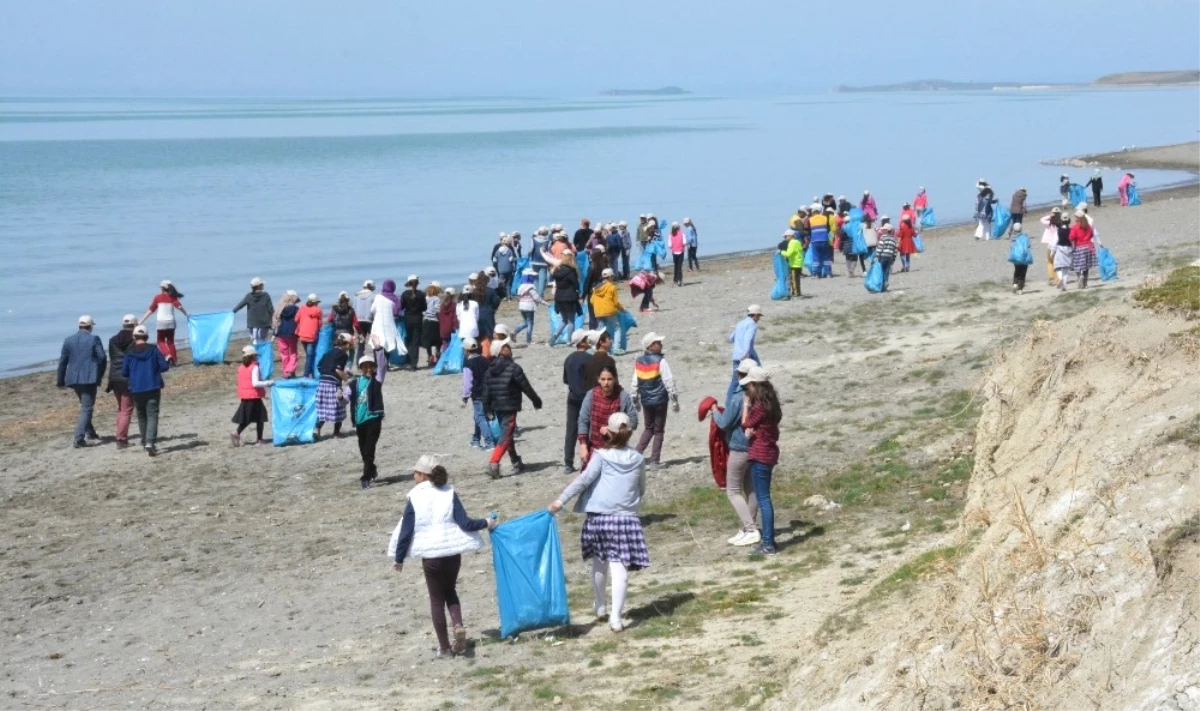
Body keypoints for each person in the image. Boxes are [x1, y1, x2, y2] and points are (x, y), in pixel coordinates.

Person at [390, 455, 498, 658]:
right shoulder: (449, 492)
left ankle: (446, 649)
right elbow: (465, 523)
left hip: (431, 556)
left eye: (415, 472)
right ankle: (458, 625)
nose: (414, 476)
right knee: (450, 591)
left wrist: (399, 558)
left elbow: (406, 530)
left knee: (436, 600)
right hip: (452, 553)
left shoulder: (415, 496)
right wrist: (486, 522)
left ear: (422, 475)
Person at [549, 411, 647, 633]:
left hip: (600, 517)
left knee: (600, 562)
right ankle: (616, 618)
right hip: (626, 519)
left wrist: (560, 500)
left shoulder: (601, 456)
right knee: (619, 566)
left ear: (609, 432)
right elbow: (641, 489)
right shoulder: (638, 458)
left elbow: (583, 480)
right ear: (630, 432)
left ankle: (601, 604)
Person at [712, 358, 759, 546]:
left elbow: (724, 423)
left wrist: (714, 410)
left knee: (732, 490)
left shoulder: (738, 397)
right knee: (751, 490)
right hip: (755, 447)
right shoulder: (762, 395)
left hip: (739, 448)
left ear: (740, 376)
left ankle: (750, 528)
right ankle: (750, 527)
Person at [482, 341, 543, 479]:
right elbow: (526, 387)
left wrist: (487, 408)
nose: (509, 348)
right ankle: (494, 463)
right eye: (505, 347)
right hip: (509, 406)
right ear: (500, 351)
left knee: (507, 435)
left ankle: (515, 461)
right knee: (506, 435)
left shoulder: (489, 370)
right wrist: (536, 400)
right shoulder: (514, 368)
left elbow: (485, 392)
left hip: (497, 406)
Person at [739, 366, 782, 556]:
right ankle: (768, 541)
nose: (747, 389)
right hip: (769, 453)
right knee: (764, 498)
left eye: (749, 386)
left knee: (763, 500)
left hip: (760, 454)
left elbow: (745, 424)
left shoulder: (758, 407)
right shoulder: (772, 404)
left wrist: (746, 405)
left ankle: (768, 545)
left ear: (756, 385)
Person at [57, 314, 107, 448]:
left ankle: (91, 432)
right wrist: (99, 373)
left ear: (79, 326)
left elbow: (63, 362)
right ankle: (79, 437)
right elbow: (102, 357)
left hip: (73, 378)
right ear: (90, 327)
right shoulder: (94, 339)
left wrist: (60, 380)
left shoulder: (68, 340)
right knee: (87, 407)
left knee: (85, 405)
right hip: (89, 378)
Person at [630, 332, 679, 468]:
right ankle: (655, 459)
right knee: (658, 431)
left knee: (648, 428)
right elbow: (669, 381)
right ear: (651, 346)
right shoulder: (661, 361)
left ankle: (636, 455)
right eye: (658, 343)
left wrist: (635, 399)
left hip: (646, 401)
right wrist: (674, 399)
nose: (661, 345)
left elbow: (635, 382)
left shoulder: (639, 361)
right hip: (660, 401)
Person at [577, 364, 639, 468]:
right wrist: (583, 446)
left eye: (609, 379)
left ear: (614, 379)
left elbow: (633, 421)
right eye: (603, 379)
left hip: (616, 450)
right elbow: (583, 420)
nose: (606, 383)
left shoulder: (623, 396)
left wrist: (614, 429)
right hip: (595, 448)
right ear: (598, 380)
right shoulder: (591, 395)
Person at [122, 325, 170, 457]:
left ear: (134, 337)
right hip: (152, 385)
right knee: (152, 414)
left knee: (142, 415)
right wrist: (165, 361)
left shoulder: (130, 351)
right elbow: (164, 366)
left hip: (136, 388)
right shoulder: (153, 349)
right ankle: (150, 441)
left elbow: (124, 371)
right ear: (147, 336)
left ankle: (145, 441)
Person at [349, 355, 385, 488]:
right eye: (365, 367)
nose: (369, 369)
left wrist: (378, 349)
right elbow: (345, 398)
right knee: (363, 450)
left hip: (374, 419)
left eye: (371, 366)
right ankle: (372, 468)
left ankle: (366, 477)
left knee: (369, 449)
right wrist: (339, 396)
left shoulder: (377, 379)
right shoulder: (355, 383)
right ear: (361, 368)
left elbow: (382, 364)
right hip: (360, 421)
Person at [561, 329, 594, 473]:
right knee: (588, 428)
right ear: (582, 342)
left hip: (572, 397)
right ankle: (587, 459)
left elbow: (565, 380)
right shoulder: (589, 359)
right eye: (586, 338)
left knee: (571, 431)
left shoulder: (568, 358)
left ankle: (568, 462)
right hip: (586, 398)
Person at [230, 344, 274, 446]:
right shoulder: (254, 368)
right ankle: (258, 439)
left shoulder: (240, 368)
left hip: (244, 396)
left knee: (247, 417)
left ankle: (237, 433)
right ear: (252, 356)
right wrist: (269, 383)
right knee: (260, 418)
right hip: (253, 396)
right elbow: (255, 383)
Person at [106, 315, 137, 448]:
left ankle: (120, 435)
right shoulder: (134, 340)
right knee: (126, 409)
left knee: (121, 408)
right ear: (135, 325)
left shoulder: (112, 340)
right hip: (127, 378)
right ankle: (121, 439)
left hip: (114, 377)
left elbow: (113, 358)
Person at [315, 332, 354, 439]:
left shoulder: (328, 352)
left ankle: (317, 428)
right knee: (339, 406)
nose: (350, 347)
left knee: (323, 407)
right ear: (346, 344)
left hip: (322, 383)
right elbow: (337, 369)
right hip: (333, 384)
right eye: (350, 345)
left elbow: (319, 366)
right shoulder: (343, 354)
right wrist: (346, 379)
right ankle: (336, 432)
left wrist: (326, 373)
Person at [139, 280, 188, 364]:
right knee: (171, 342)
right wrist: (187, 315)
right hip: (171, 322)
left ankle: (167, 355)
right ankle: (174, 360)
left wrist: (141, 321)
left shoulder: (157, 298)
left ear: (162, 289)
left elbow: (151, 310)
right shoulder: (173, 297)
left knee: (160, 341)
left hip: (161, 322)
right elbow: (179, 307)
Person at [460, 338, 495, 450]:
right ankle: (476, 439)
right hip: (489, 392)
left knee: (480, 417)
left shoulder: (468, 363)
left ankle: (489, 443)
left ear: (466, 350)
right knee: (478, 415)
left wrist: (465, 397)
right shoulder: (484, 360)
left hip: (478, 394)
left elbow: (467, 383)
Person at [544, 249, 582, 346]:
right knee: (571, 320)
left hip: (559, 297)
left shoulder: (558, 270)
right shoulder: (571, 271)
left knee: (564, 319)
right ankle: (569, 340)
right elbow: (576, 285)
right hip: (570, 297)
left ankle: (554, 337)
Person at [726, 305, 762, 401]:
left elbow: (731, 338)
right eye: (759, 316)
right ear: (755, 315)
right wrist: (746, 352)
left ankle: (729, 402)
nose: (759, 319)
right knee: (758, 377)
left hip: (736, 357)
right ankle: (759, 399)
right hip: (746, 357)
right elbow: (748, 339)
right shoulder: (752, 324)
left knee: (735, 381)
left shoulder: (740, 323)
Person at [590, 268, 627, 355]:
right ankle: (616, 348)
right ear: (610, 277)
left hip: (598, 311)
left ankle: (595, 347)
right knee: (617, 328)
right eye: (612, 277)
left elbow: (591, 301)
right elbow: (616, 302)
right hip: (609, 311)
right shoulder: (612, 287)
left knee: (600, 330)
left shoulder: (596, 288)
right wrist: (622, 309)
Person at [370, 283, 404, 372]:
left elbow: (372, 310)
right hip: (389, 324)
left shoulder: (378, 297)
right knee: (388, 345)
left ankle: (377, 365)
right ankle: (386, 364)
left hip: (378, 324)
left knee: (377, 344)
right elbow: (398, 312)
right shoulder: (395, 299)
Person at [233, 277, 275, 344]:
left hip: (252, 323)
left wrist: (232, 312)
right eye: (262, 284)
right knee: (262, 339)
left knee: (255, 339)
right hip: (264, 323)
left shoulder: (249, 296)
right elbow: (271, 309)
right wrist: (276, 317)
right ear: (259, 286)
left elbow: (240, 305)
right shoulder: (266, 295)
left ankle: (256, 349)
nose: (263, 285)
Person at [398, 275, 426, 371]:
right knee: (415, 342)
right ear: (417, 283)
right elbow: (424, 308)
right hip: (418, 318)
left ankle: (408, 361)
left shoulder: (405, 294)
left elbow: (401, 307)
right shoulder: (421, 294)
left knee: (408, 340)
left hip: (408, 318)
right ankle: (414, 364)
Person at [513, 268, 546, 345]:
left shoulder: (520, 286)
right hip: (529, 307)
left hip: (521, 306)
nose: (534, 278)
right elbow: (537, 298)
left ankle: (514, 332)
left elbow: (518, 297)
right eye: (532, 276)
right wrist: (545, 304)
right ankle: (528, 340)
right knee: (530, 323)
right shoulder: (531, 287)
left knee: (525, 322)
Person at [296, 294, 324, 379]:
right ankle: (306, 374)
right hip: (312, 336)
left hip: (302, 335)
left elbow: (296, 319)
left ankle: (310, 372)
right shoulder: (318, 310)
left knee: (309, 355)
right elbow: (320, 324)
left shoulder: (302, 308)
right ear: (315, 302)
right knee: (310, 356)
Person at [274, 291, 300, 378]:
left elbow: (276, 319)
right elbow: (298, 320)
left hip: (281, 333)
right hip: (292, 333)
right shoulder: (296, 309)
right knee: (293, 353)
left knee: (284, 354)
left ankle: (286, 372)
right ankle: (290, 369)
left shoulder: (281, 308)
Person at [1069, 210, 1098, 289]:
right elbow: (1092, 234)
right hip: (1088, 247)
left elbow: (1071, 237)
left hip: (1079, 247)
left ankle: (1080, 277)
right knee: (1086, 266)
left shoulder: (1075, 227)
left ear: (1077, 218)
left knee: (1077, 265)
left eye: (1075, 217)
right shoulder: (1088, 226)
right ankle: (1085, 282)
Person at [1040, 208, 1066, 287]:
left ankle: (1052, 278)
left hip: (1050, 245)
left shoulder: (1049, 223)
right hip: (1058, 245)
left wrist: (1050, 216)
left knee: (1050, 262)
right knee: (1058, 262)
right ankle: (1058, 278)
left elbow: (1041, 219)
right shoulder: (1061, 223)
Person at [353, 280, 376, 364]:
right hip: (370, 321)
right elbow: (374, 310)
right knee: (375, 342)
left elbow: (354, 309)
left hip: (359, 321)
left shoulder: (356, 296)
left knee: (361, 342)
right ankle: (377, 361)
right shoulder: (373, 296)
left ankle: (359, 362)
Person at [807, 204, 833, 278]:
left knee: (816, 257)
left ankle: (816, 274)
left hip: (815, 240)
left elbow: (809, 231)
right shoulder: (825, 218)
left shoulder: (810, 219)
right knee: (826, 257)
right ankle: (828, 273)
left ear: (813, 212)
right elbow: (828, 229)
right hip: (824, 239)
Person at [422, 282, 443, 367]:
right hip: (434, 320)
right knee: (437, 339)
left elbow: (422, 310)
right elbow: (437, 310)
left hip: (426, 320)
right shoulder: (436, 299)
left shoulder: (425, 298)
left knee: (427, 340)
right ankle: (437, 353)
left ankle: (429, 355)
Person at [875, 218, 899, 292]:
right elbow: (895, 250)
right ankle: (885, 283)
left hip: (883, 256)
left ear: (885, 230)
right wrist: (894, 258)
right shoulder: (894, 239)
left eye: (883, 230)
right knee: (887, 271)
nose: (882, 230)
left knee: (881, 270)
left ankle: (882, 286)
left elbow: (880, 248)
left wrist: (877, 256)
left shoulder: (883, 238)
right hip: (890, 257)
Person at [1053, 219, 1075, 291]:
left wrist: (1052, 251)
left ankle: (1060, 278)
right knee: (1066, 269)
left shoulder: (1058, 231)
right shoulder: (1071, 230)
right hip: (1069, 249)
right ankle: (1064, 285)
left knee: (1057, 266)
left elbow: (1055, 242)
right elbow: (1072, 241)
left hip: (1060, 249)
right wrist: (1073, 249)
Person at [781, 231, 804, 297]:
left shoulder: (792, 243)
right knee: (796, 279)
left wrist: (782, 252)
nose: (785, 238)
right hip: (798, 263)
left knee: (794, 280)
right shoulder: (797, 242)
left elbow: (788, 254)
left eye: (785, 236)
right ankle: (796, 292)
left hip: (794, 264)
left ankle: (796, 293)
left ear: (790, 236)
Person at [438, 287, 459, 352]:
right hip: (451, 329)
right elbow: (455, 318)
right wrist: (457, 327)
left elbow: (439, 317)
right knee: (452, 345)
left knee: (445, 345)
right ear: (454, 296)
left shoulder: (442, 306)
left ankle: (444, 359)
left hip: (443, 329)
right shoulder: (454, 305)